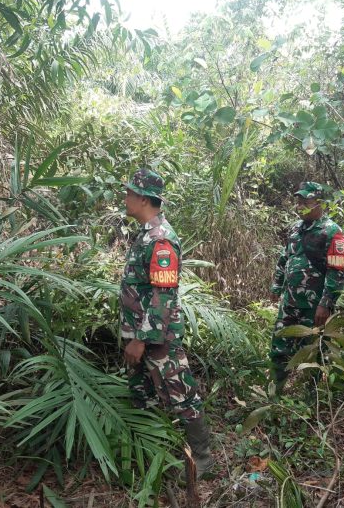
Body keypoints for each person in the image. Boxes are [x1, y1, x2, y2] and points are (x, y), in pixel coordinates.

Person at [119, 167, 214, 479]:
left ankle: (203, 459)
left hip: (157, 338)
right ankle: (151, 454)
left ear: (144, 199)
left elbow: (164, 296)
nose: (125, 198)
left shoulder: (161, 240)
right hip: (138, 335)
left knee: (181, 394)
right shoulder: (145, 234)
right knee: (142, 394)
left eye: (130, 193)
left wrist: (141, 339)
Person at [269, 181, 344, 392]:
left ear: (319, 203)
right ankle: (275, 392)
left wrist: (326, 303)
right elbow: (285, 258)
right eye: (298, 202)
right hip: (290, 302)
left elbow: (337, 271)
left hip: (315, 307)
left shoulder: (333, 232)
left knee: (313, 353)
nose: (300, 206)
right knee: (279, 348)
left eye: (305, 202)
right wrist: (277, 286)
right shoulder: (295, 228)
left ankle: (312, 398)